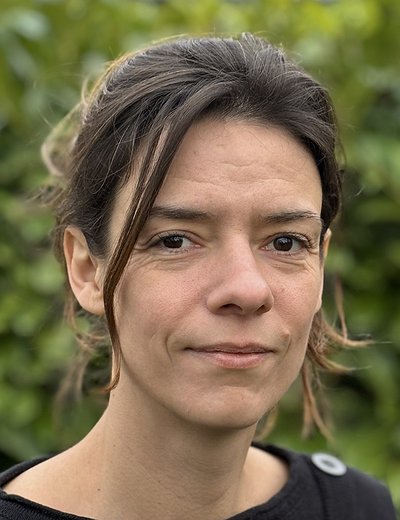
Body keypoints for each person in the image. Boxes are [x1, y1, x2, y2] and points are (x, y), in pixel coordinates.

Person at [0, 33, 396, 520]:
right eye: (174, 241)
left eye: (286, 243)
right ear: (86, 269)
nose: (247, 289)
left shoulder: (357, 509)